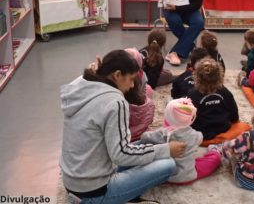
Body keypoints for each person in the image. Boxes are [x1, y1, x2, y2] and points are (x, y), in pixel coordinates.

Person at [60, 50, 188, 204]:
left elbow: (117, 152)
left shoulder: (82, 84)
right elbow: (121, 154)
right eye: (132, 79)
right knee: (168, 164)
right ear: (118, 75)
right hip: (95, 193)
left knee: (148, 144)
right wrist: (166, 150)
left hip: (73, 183)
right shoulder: (115, 101)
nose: (133, 85)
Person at [140, 98, 221, 185]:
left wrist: (152, 133)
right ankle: (214, 152)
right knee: (214, 160)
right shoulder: (195, 135)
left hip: (164, 176)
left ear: (167, 116)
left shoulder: (161, 134)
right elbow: (200, 137)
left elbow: (144, 138)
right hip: (188, 175)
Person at [188, 58, 239, 140]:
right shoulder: (226, 93)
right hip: (223, 127)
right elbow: (234, 114)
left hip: (200, 130)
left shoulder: (192, 94)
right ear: (220, 77)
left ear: (197, 77)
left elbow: (188, 116)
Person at [124, 74, 155, 143]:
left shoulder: (119, 106)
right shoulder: (149, 103)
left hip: (126, 140)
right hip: (144, 135)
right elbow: (150, 121)